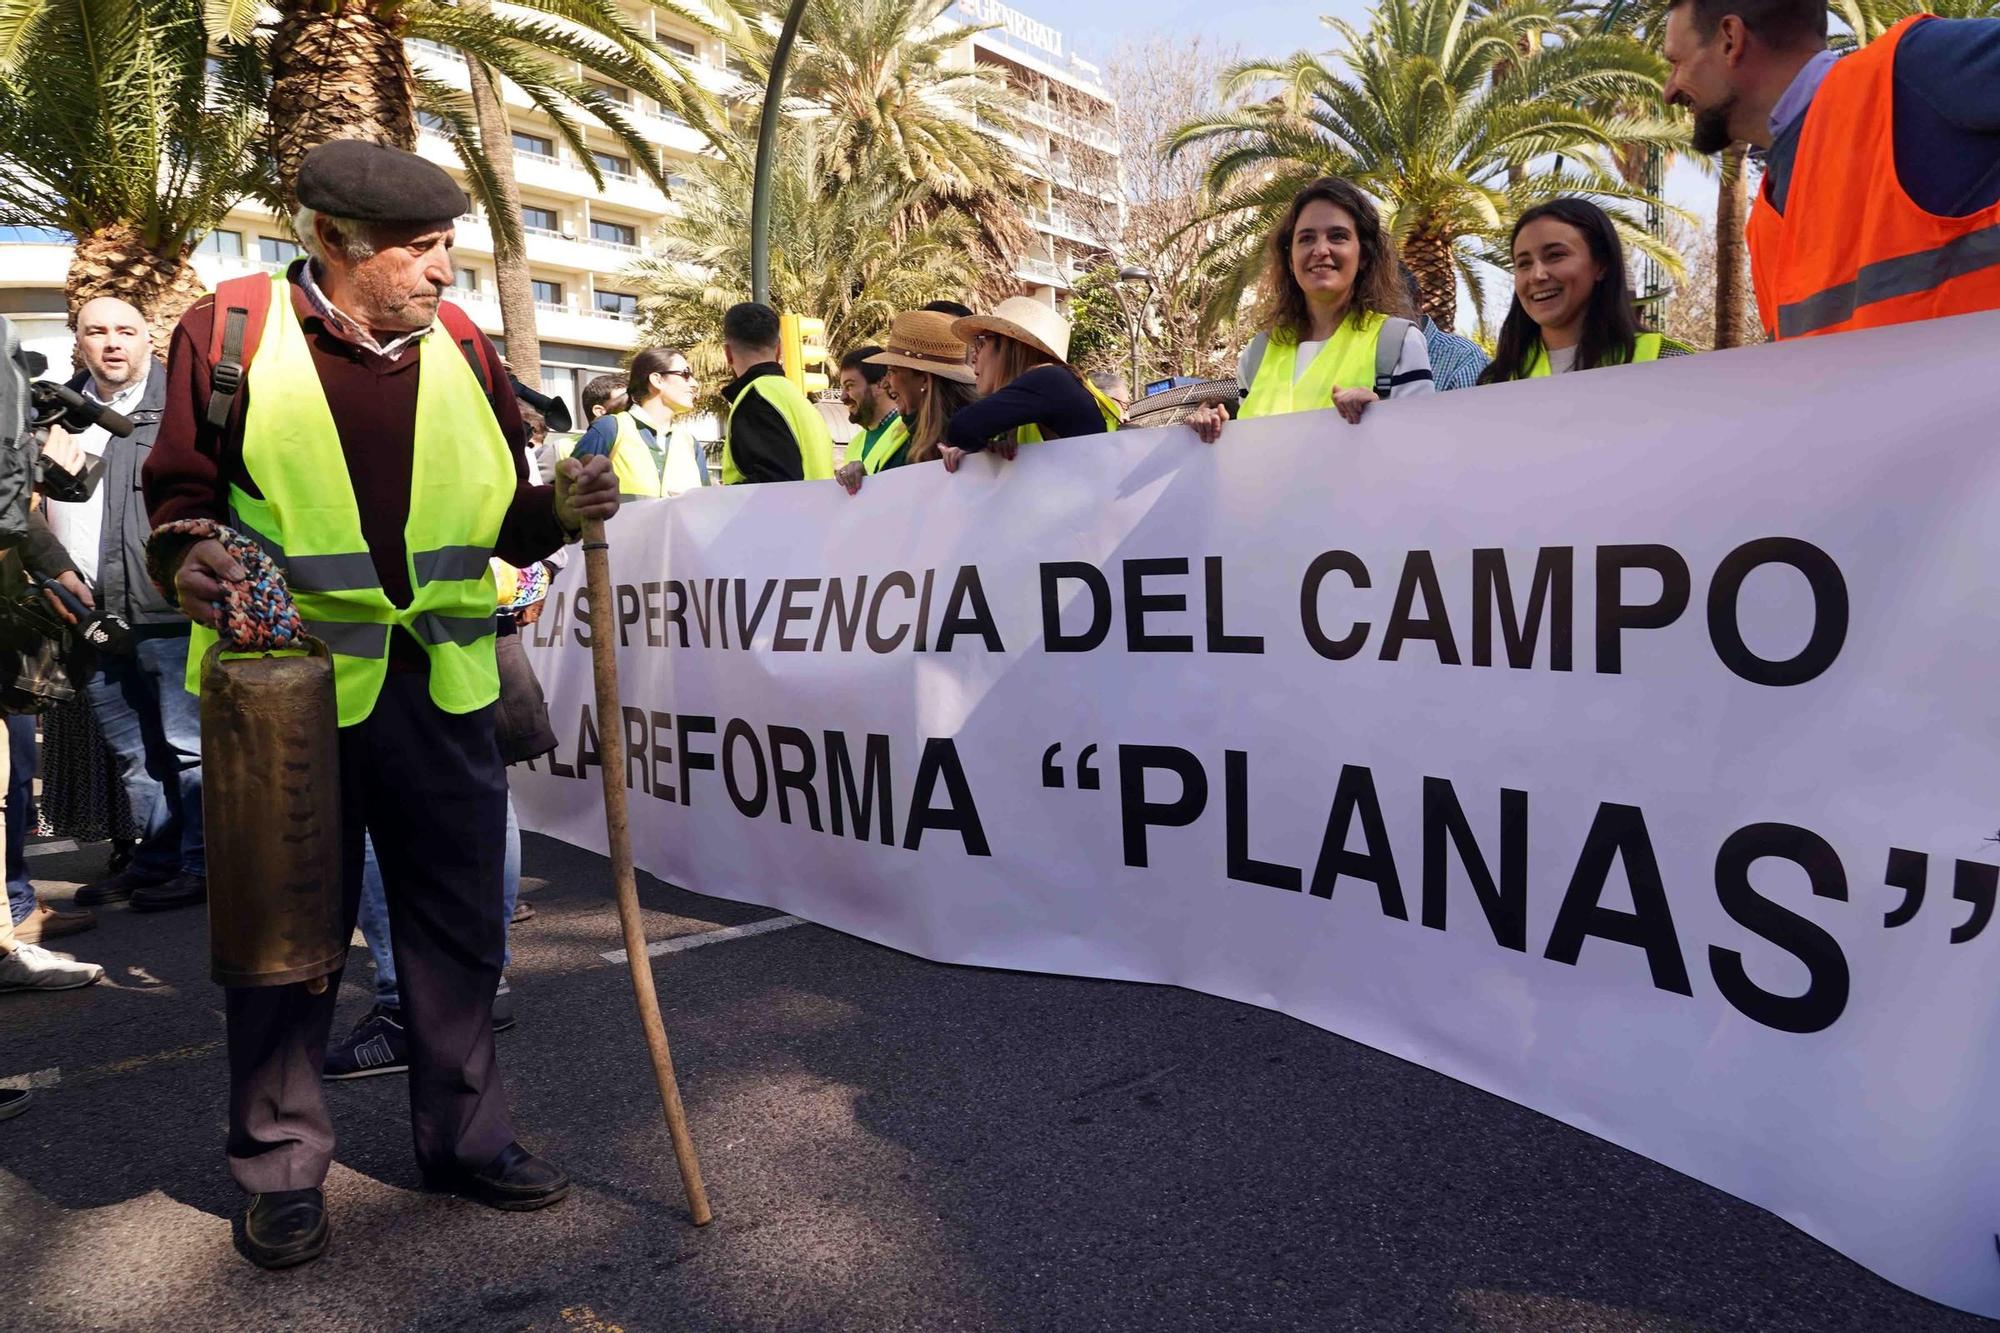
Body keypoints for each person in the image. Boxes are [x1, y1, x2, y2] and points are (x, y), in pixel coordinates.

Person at [141, 139, 619, 1270]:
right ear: (335, 244)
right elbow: (178, 500)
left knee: (458, 935)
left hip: (446, 691)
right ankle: (280, 1165)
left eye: (449, 244)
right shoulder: (231, 332)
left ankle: (465, 1140)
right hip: (290, 699)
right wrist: (190, 558)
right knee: (285, 941)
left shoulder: (463, 344)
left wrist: (564, 504)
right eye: (420, 249)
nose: (444, 270)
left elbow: (507, 520)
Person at [1661, 0, 2000, 340]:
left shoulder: (1911, 70)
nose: (1669, 90)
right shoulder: (1767, 220)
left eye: (1677, 62)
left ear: (1730, 40)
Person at [38, 298, 207, 915]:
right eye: (97, 331)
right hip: (86, 612)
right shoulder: (54, 413)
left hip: (165, 606)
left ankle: (201, 864)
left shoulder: (181, 409)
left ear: (148, 338)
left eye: (126, 331)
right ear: (78, 340)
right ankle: (154, 860)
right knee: (135, 749)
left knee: (188, 745)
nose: (112, 343)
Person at [1185, 177, 1433, 444]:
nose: (1320, 250)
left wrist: (1383, 418)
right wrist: (1216, 429)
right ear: (1290, 259)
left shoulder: (1397, 343)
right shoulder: (1256, 355)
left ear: (1364, 255)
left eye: (1338, 236)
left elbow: (1422, 450)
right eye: (1306, 238)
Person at [1478, 200, 1694, 384]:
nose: (1537, 275)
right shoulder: (1495, 381)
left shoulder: (1672, 364)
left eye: (1555, 255)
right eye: (1523, 263)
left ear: (1601, 264)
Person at [939, 297, 1121, 471]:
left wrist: (973, 444)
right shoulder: (1050, 386)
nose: (974, 357)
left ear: (1008, 346)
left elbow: (962, 428)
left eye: (981, 343)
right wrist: (985, 447)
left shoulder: (1048, 379)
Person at [838, 312, 978, 496]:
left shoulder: (972, 440)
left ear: (924, 380)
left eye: (892, 371)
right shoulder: (911, 436)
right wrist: (867, 485)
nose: (887, 383)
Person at [717, 302, 835, 485]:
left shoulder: (755, 400)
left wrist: (719, 498)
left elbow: (774, 485)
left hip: (785, 513)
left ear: (728, 354)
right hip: (816, 512)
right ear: (779, 349)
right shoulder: (797, 399)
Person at [568, 347, 709, 498]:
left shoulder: (690, 443)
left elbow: (704, 505)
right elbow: (568, 497)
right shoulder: (609, 428)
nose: (694, 384)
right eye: (686, 374)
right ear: (657, 380)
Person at [1401, 270, 1489, 390]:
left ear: (1417, 301)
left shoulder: (1463, 359)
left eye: (1385, 303)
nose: (1375, 315)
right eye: (1368, 304)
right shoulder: (1370, 358)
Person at [834, 346, 904, 488]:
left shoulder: (910, 432)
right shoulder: (855, 444)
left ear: (880, 383)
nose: (843, 397)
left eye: (850, 386)